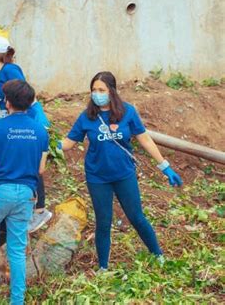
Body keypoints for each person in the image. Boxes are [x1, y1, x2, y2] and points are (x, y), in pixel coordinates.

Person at [58, 71, 183, 270]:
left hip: (124, 174)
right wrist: (50, 144)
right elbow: (69, 142)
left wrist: (165, 166)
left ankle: (158, 255)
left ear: (112, 91)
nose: (97, 94)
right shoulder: (87, 117)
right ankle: (103, 268)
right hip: (97, 177)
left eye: (101, 90)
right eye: (93, 90)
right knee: (104, 222)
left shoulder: (128, 112)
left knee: (136, 217)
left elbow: (145, 139)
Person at [0, 80, 49, 305]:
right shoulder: (40, 131)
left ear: (8, 101)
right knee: (16, 248)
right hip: (26, 194)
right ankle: (17, 300)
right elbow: (40, 169)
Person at [0, 36, 52, 232]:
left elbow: (26, 94)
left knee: (31, 163)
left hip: (25, 120)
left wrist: (34, 117)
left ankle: (40, 210)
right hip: (9, 120)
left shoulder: (10, 70)